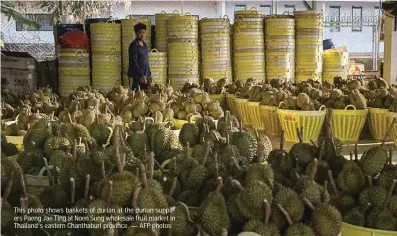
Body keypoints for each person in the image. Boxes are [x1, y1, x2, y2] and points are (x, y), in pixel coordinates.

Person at [128, 23, 151, 90]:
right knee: (134, 96)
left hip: (145, 76)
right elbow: (134, 62)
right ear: (136, 33)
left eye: (144, 32)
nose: (142, 35)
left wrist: (149, 75)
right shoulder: (133, 45)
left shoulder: (145, 45)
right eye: (140, 32)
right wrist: (141, 75)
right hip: (136, 76)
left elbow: (146, 61)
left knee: (145, 97)